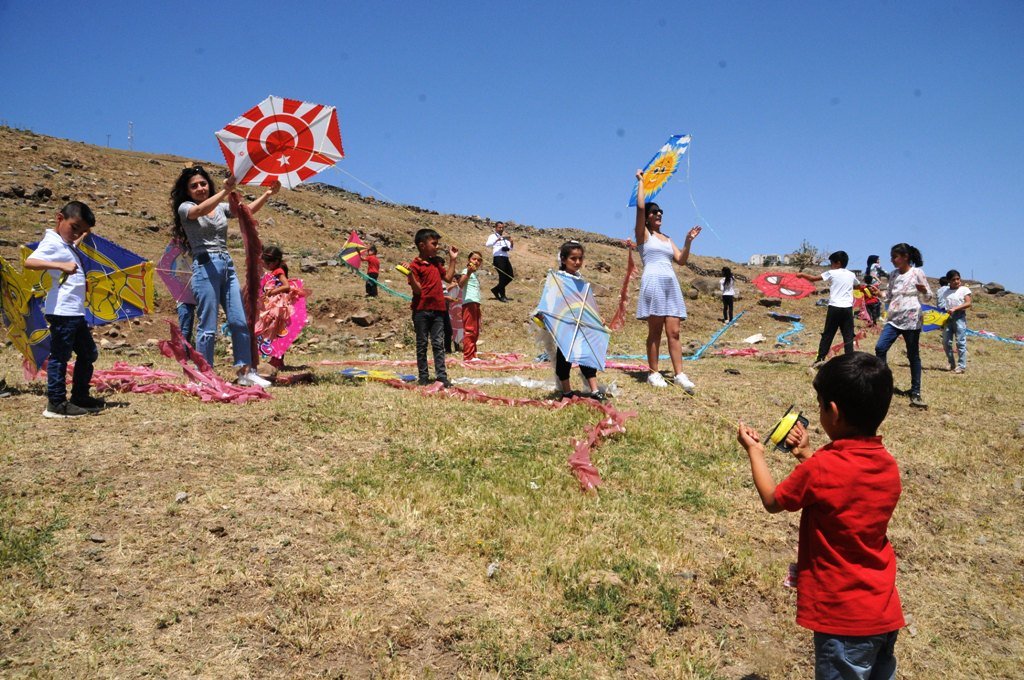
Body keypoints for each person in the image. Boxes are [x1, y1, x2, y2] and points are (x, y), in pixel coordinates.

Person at [737, 352, 904, 680]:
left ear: (834, 412)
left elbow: (773, 500)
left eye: (819, 404)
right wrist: (807, 455)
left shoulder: (823, 467)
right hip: (883, 612)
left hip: (843, 620)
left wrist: (755, 452)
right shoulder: (888, 466)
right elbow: (844, 492)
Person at [170, 166, 278, 387]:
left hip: (226, 266)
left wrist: (267, 194)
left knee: (239, 321)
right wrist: (226, 190)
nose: (200, 188)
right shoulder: (186, 208)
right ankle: (205, 375)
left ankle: (245, 371)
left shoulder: (219, 207)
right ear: (187, 191)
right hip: (205, 265)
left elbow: (245, 212)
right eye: (194, 186)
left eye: (203, 184)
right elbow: (199, 212)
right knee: (207, 325)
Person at [23, 201, 104, 418]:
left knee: (88, 353)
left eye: (82, 230)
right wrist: (60, 266)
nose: (76, 233)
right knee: (60, 356)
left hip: (74, 312)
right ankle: (56, 403)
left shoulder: (65, 244)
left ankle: (80, 396)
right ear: (60, 218)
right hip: (62, 312)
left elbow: (73, 242)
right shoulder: (52, 243)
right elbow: (30, 262)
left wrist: (83, 235)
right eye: (74, 227)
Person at [633, 168, 701, 392]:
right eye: (655, 213)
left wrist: (688, 241)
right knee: (655, 332)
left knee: (674, 332)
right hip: (653, 283)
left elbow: (680, 260)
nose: (659, 215)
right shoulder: (643, 235)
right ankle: (653, 373)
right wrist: (641, 182)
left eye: (661, 212)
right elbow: (641, 207)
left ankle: (679, 373)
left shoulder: (666, 238)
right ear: (648, 219)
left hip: (671, 285)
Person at [538, 241, 604, 399]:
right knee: (564, 358)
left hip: (581, 327)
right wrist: (544, 314)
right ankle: (566, 391)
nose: (577, 262)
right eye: (573, 258)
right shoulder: (557, 279)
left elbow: (586, 303)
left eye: (580, 258)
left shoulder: (581, 282)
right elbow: (549, 300)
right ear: (563, 259)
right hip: (564, 327)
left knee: (587, 355)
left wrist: (596, 317)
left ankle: (594, 390)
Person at [875, 242, 931, 408]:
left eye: (895, 257)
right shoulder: (893, 275)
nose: (892, 260)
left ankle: (916, 392)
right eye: (891, 257)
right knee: (880, 348)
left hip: (912, 320)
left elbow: (928, 296)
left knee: (913, 355)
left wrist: (923, 291)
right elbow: (889, 296)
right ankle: (884, 384)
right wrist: (879, 293)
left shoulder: (917, 273)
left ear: (905, 257)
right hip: (894, 318)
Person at [403, 228, 458, 386]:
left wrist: (452, 259)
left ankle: (441, 376)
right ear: (422, 245)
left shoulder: (435, 263)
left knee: (438, 343)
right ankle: (424, 377)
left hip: (439, 310)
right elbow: (418, 290)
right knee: (421, 343)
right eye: (434, 244)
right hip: (421, 311)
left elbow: (448, 278)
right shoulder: (415, 265)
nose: (437, 246)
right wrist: (410, 276)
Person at [797, 250, 859, 366]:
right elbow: (858, 285)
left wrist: (801, 275)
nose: (831, 265)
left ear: (838, 263)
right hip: (847, 308)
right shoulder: (852, 274)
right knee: (848, 335)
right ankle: (850, 361)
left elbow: (813, 278)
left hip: (834, 307)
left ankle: (820, 359)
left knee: (828, 334)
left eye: (831, 263)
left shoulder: (832, 272)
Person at [254, 246, 307, 370]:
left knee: (277, 330)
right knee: (276, 331)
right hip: (276, 304)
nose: (266, 265)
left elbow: (286, 286)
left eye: (268, 263)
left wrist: (273, 292)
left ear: (276, 261)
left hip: (279, 306)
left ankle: (277, 360)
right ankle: (276, 359)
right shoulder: (276, 269)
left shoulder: (279, 270)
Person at [938, 269, 972, 374]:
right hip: (948, 318)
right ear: (949, 281)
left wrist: (956, 308)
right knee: (946, 342)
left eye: (958, 279)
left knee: (960, 342)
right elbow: (943, 305)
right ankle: (951, 363)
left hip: (959, 317)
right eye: (953, 280)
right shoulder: (945, 292)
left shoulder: (964, 290)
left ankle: (961, 366)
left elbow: (968, 303)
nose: (956, 281)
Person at [457, 251, 484, 361]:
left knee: (475, 331)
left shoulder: (475, 274)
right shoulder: (466, 271)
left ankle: (473, 353)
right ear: (469, 260)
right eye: (474, 259)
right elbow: (460, 284)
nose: (476, 261)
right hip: (469, 303)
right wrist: (468, 272)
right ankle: (468, 356)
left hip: (475, 303)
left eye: (479, 260)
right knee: (470, 330)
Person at [485, 221, 514, 302]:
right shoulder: (492, 236)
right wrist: (497, 240)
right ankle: (503, 296)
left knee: (510, 276)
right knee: (502, 276)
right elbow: (488, 244)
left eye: (502, 228)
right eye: (499, 227)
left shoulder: (505, 237)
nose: (501, 229)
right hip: (498, 258)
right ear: (496, 228)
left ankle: (495, 289)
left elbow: (510, 248)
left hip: (505, 258)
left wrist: (511, 242)